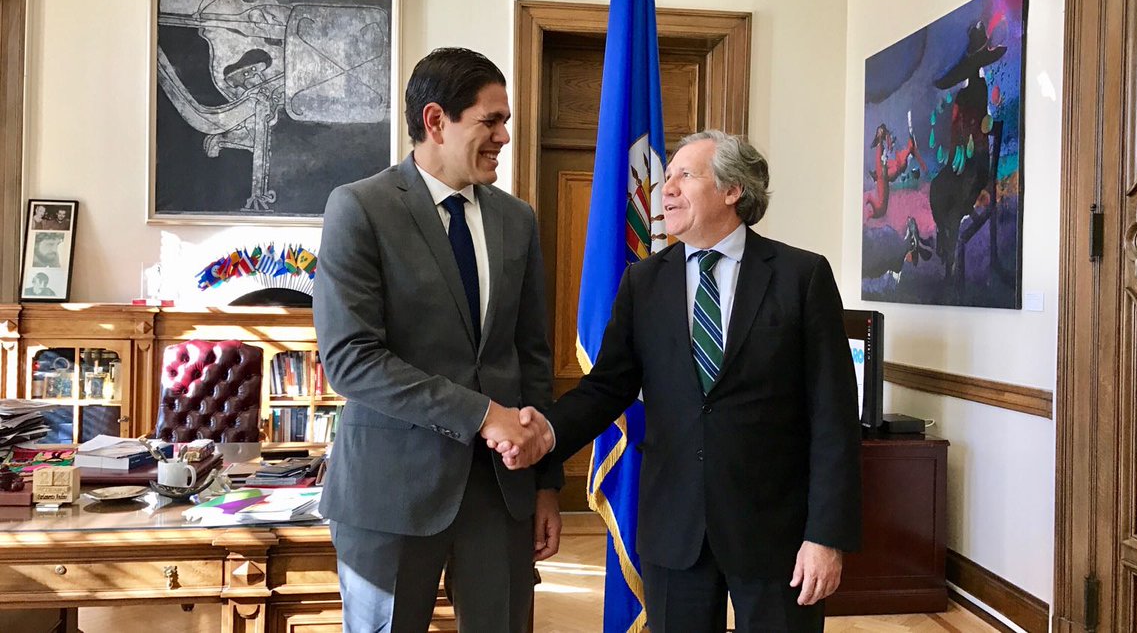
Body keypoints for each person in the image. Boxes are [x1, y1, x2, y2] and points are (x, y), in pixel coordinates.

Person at [498, 130, 862, 632]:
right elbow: (606, 389)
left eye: (683, 176)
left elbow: (834, 418)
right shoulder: (644, 283)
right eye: (664, 177)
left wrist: (826, 536)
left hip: (776, 529)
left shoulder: (802, 277)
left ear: (733, 190)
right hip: (676, 525)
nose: (664, 189)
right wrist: (546, 435)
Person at [313, 47, 560, 633]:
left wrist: (547, 484)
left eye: (505, 122)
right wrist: (481, 415)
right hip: (390, 492)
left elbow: (533, 359)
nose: (504, 136)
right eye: (490, 121)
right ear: (434, 121)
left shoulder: (516, 220)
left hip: (501, 494)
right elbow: (351, 360)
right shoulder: (360, 208)